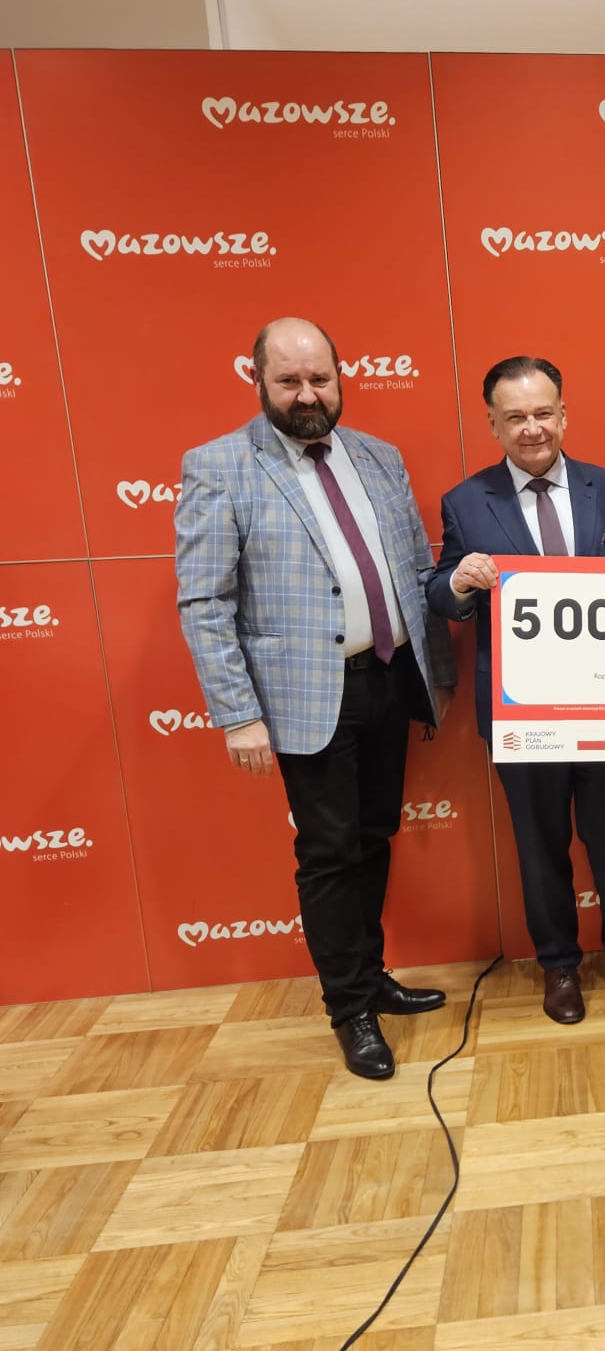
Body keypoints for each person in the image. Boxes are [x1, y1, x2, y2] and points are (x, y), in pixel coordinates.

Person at [175, 316, 455, 1082]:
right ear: (258, 379)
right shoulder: (219, 466)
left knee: (374, 834)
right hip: (306, 698)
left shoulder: (378, 456)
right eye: (289, 380)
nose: (307, 394)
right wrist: (238, 714)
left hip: (388, 679)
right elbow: (204, 601)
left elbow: (413, 568)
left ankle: (372, 976)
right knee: (329, 853)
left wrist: (434, 677)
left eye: (320, 379)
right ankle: (349, 1008)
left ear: (340, 376)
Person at [428, 356, 605, 1027]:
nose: (532, 428)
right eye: (515, 417)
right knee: (539, 845)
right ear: (493, 424)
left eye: (543, 413)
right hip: (521, 709)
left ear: (564, 414)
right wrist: (459, 581)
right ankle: (560, 967)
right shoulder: (465, 502)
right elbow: (439, 592)